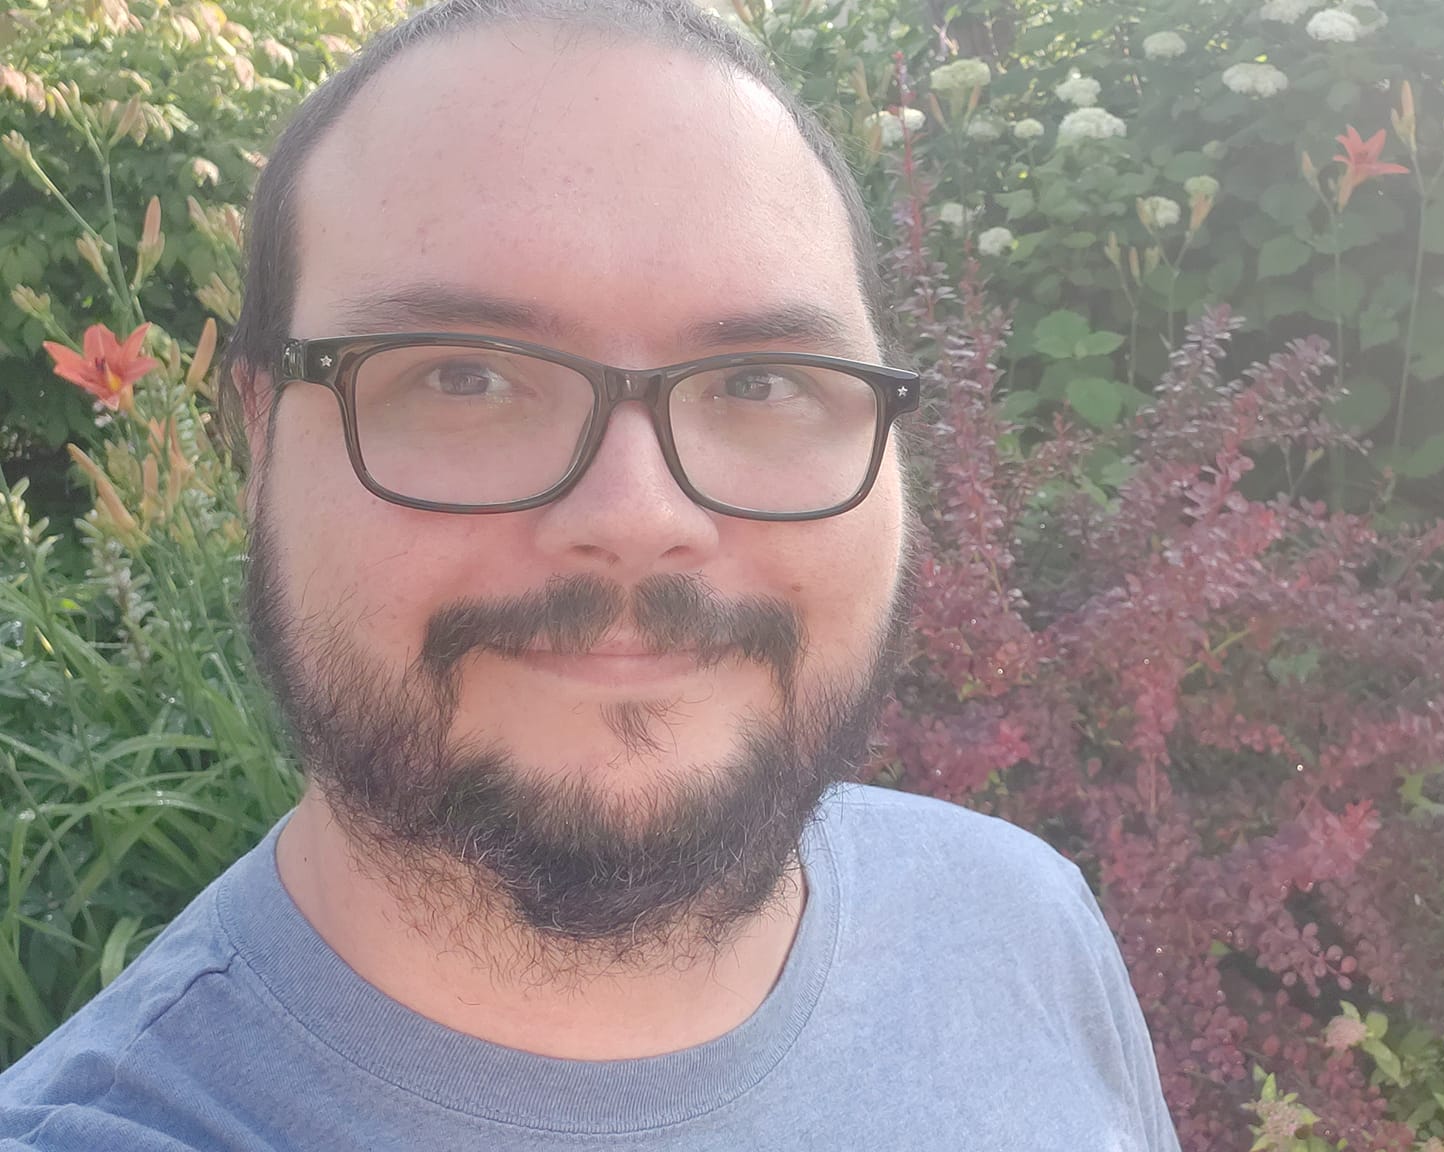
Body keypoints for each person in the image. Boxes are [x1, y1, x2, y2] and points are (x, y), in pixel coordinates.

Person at [0, 0, 1178, 1147]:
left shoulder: (1017, 919)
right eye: (462, 377)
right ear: (250, 437)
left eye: (763, 381)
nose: (636, 517)